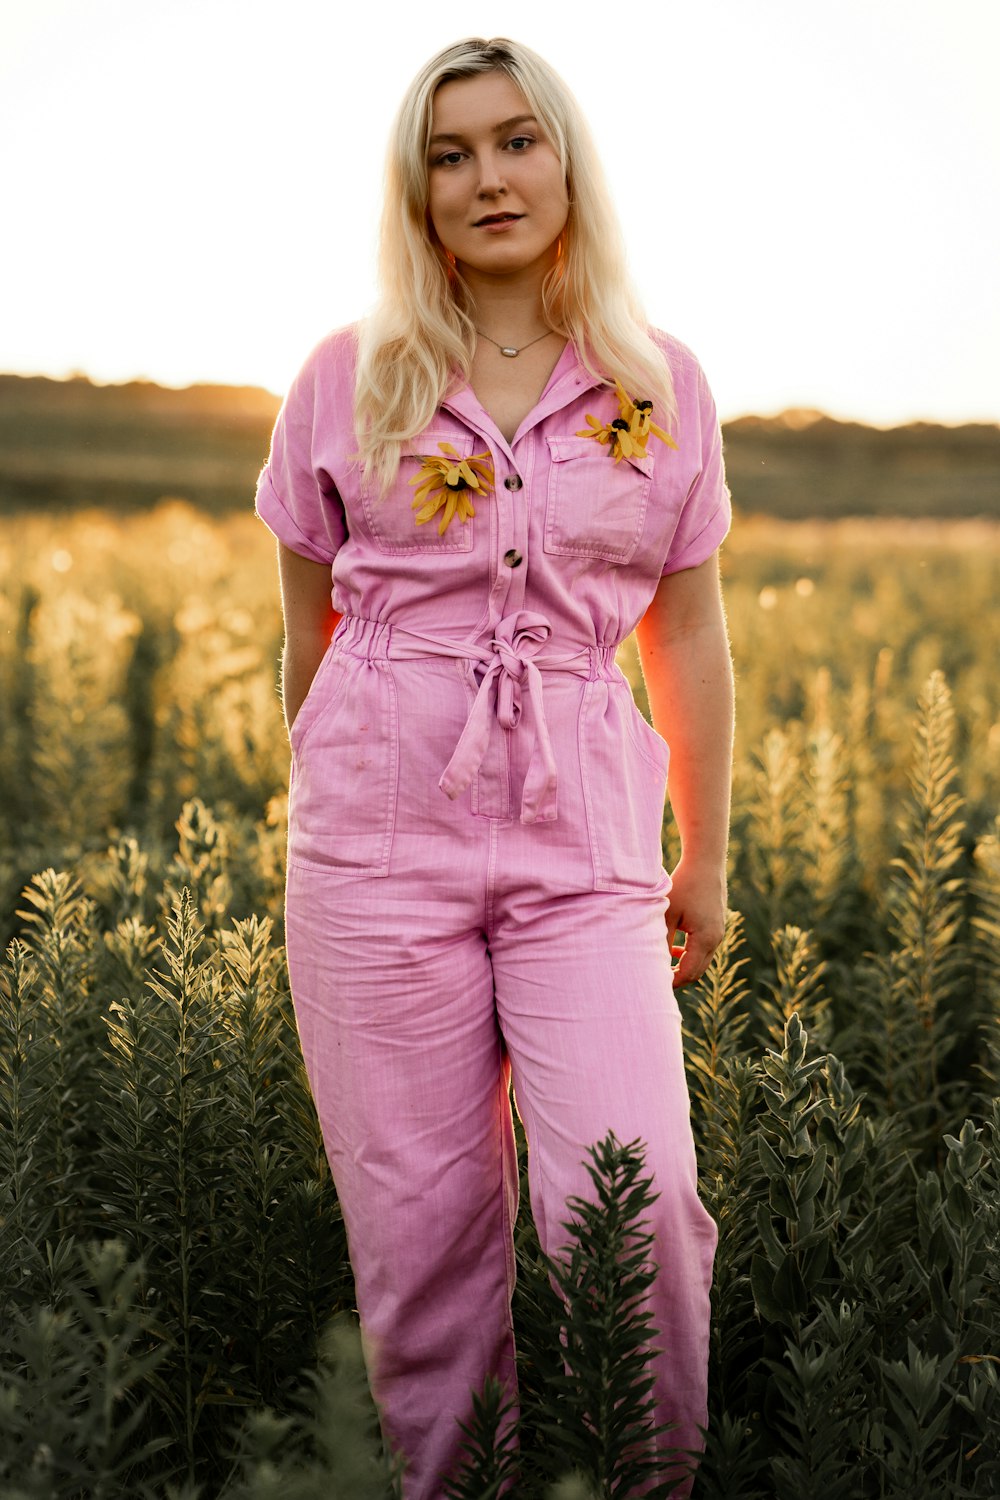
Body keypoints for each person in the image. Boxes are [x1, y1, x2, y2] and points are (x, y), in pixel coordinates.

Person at [256, 36, 733, 1500]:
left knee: (632, 1201)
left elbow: (693, 633)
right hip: (375, 847)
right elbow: (307, 631)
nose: (488, 177)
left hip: (588, 841)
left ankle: (641, 1483)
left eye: (516, 141)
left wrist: (705, 853)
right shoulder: (348, 376)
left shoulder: (660, 384)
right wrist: (339, 819)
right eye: (450, 154)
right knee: (423, 1236)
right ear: (420, 191)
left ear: (566, 158)